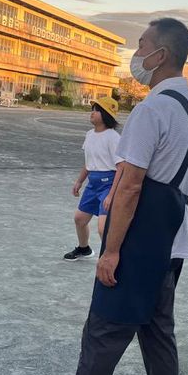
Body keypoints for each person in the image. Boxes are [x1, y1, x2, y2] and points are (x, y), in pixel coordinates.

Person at [22, 18, 188, 375]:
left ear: (160, 55)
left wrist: (111, 251)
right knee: (158, 336)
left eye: (141, 45)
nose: (136, 54)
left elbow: (129, 185)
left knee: (103, 333)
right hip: (173, 240)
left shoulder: (153, 108)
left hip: (139, 244)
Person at [63, 97, 121, 261]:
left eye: (97, 110)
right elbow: (89, 163)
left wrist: (111, 195)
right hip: (93, 183)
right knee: (79, 219)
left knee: (103, 228)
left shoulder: (113, 137)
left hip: (108, 184)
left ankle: (110, 259)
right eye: (93, 110)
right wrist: (79, 181)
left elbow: (121, 168)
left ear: (106, 115)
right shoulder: (89, 135)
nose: (92, 113)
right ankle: (84, 249)